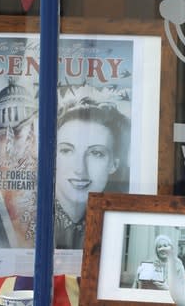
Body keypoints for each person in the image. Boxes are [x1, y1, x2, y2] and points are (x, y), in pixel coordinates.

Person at [54, 88, 130, 249]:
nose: (80, 169)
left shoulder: (124, 223)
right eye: (66, 150)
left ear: (113, 164)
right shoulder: (15, 220)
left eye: (96, 153)